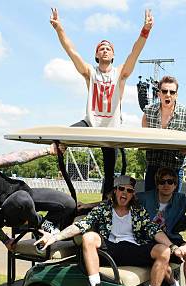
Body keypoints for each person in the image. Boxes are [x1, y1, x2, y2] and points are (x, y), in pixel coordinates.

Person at [35, 175, 184, 286]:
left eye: (129, 190)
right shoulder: (104, 209)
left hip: (132, 249)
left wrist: (173, 246)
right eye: (121, 189)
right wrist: (55, 237)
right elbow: (82, 225)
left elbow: (154, 230)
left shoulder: (138, 211)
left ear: (133, 194)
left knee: (164, 251)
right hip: (110, 250)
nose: (124, 193)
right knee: (88, 237)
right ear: (115, 191)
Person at [49, 7, 154, 199]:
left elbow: (134, 52)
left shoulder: (120, 73)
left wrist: (145, 30)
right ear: (97, 55)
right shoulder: (90, 72)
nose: (105, 51)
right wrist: (59, 29)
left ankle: (106, 204)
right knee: (61, 136)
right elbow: (71, 52)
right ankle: (53, 154)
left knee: (108, 172)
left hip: (111, 129)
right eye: (101, 49)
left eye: (108, 49)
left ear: (113, 55)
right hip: (91, 123)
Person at [142, 75, 186, 192]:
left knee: (173, 204)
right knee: (150, 200)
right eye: (164, 91)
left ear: (176, 95)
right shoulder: (148, 111)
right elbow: (144, 132)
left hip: (175, 164)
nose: (168, 95)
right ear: (159, 93)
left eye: (172, 92)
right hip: (154, 162)